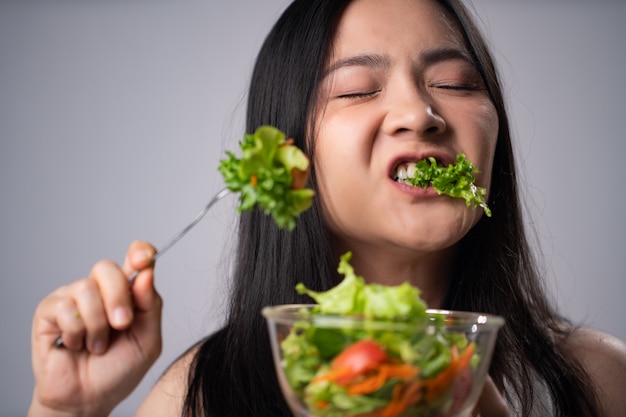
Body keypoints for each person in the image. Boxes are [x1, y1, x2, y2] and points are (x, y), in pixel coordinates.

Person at [28, 0, 626, 416]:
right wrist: (66, 411)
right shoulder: (201, 396)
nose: (420, 113)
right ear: (291, 156)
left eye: (455, 83)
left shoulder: (598, 381)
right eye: (358, 90)